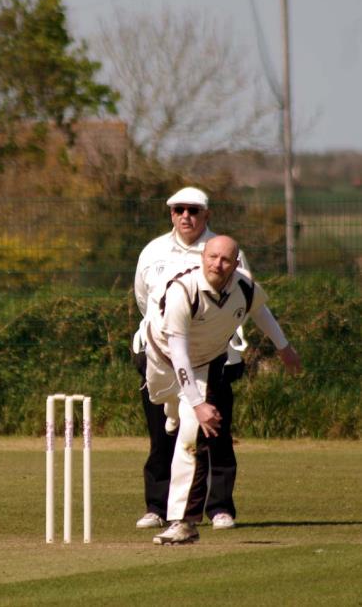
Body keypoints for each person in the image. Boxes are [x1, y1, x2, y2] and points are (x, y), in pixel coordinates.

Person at [144, 235, 301, 544]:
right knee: (162, 400)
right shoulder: (183, 291)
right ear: (203, 257)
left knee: (191, 438)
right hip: (161, 357)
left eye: (226, 260)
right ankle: (173, 408)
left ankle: (183, 522)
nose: (218, 264)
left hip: (205, 365)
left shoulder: (243, 286)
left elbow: (260, 311)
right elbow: (178, 352)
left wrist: (284, 347)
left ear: (235, 263)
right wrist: (194, 402)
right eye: (213, 257)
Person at [133, 187, 250, 531]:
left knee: (214, 430)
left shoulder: (225, 250)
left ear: (206, 214)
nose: (186, 216)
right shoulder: (153, 251)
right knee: (162, 431)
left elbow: (245, 300)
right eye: (179, 210)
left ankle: (219, 507)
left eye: (194, 210)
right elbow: (145, 300)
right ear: (171, 214)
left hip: (215, 356)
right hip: (159, 352)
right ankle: (158, 506)